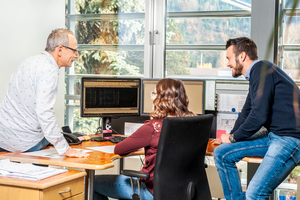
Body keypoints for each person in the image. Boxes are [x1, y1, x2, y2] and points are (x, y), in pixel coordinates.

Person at [212, 37, 300, 200]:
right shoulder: (257, 74)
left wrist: (233, 137)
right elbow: (247, 112)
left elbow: (258, 116)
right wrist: (228, 139)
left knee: (255, 193)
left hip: (290, 140)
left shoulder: (261, 69)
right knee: (221, 153)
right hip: (273, 136)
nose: (228, 64)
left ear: (242, 56)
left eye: (229, 58)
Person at [93, 78, 196, 200]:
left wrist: (144, 143)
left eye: (154, 94)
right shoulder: (193, 125)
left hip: (152, 192)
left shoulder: (153, 127)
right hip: (183, 191)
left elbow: (118, 149)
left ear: (161, 99)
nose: (152, 98)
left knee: (92, 183)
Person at [0, 28, 89, 158]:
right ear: (60, 50)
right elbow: (44, 112)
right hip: (26, 144)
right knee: (80, 143)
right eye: (74, 50)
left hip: (3, 138)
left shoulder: (29, 61)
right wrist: (66, 149)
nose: (76, 55)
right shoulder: (49, 70)